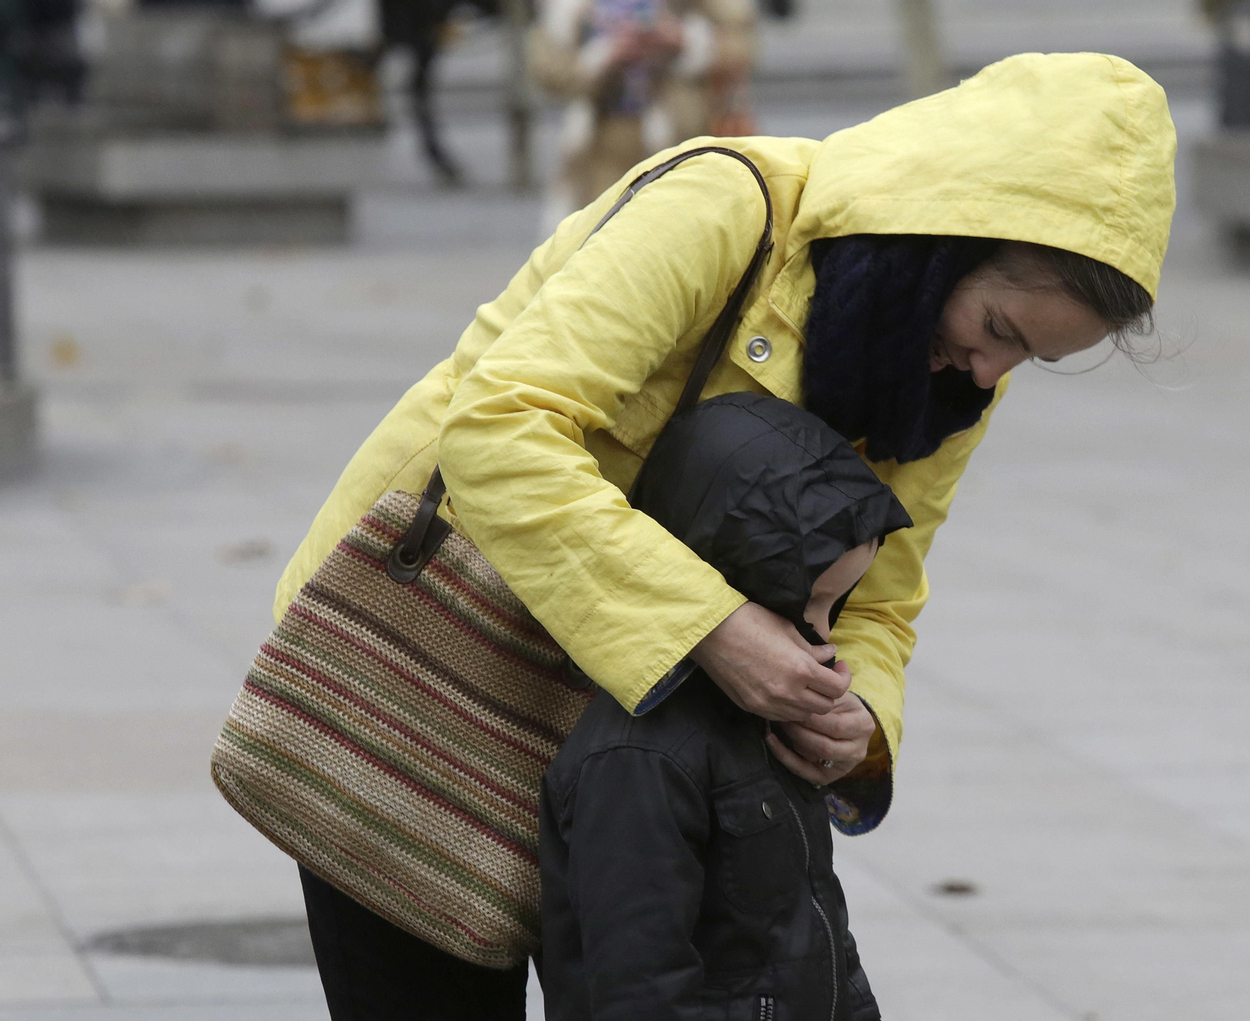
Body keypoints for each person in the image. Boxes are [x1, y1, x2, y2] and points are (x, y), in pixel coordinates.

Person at [283, 51, 1175, 1017]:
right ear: (939, 236)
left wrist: (858, 720)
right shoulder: (724, 204)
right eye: (997, 323)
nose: (990, 369)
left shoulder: (953, 374)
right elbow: (502, 430)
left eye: (1028, 357)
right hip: (438, 677)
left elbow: (883, 590)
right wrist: (712, 628)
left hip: (652, 765)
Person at [540, 391, 910, 1021]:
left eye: (836, 607)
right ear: (731, 583)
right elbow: (639, 986)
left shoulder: (765, 719)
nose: (825, 638)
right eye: (806, 604)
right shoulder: (639, 759)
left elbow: (818, 924)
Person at [533, 0, 757, 207]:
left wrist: (680, 40)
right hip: (600, 147)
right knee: (604, 232)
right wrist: (605, 56)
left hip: (683, 141)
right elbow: (547, 66)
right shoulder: (570, 8)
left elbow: (742, 45)